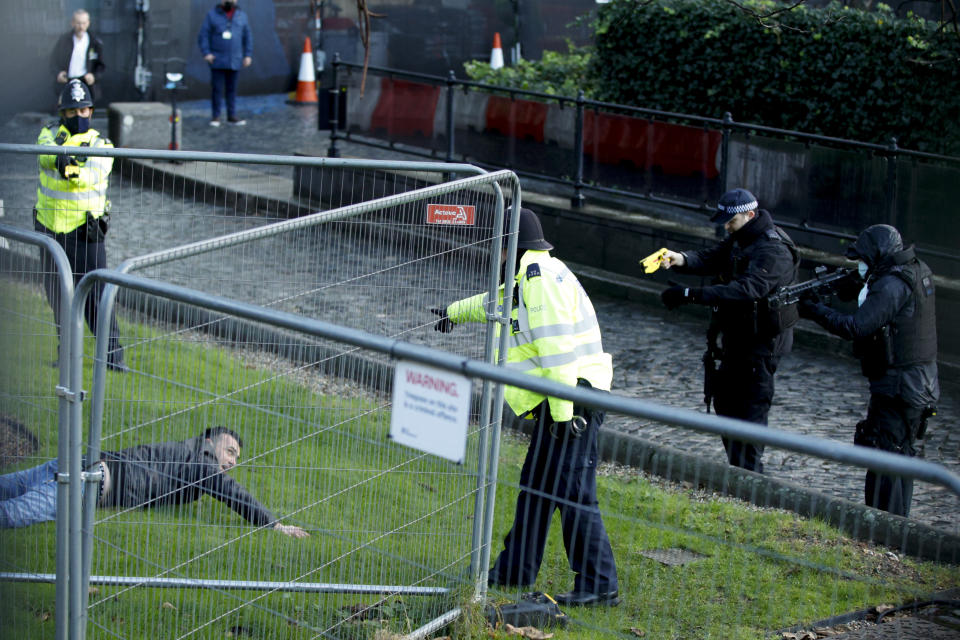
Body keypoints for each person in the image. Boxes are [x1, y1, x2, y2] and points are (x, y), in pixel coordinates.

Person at [432, 208, 619, 607]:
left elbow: (557, 354)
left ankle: (600, 585)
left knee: (574, 494)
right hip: (564, 398)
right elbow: (495, 303)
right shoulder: (527, 277)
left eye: (499, 248)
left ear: (510, 247)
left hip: (573, 399)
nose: (496, 258)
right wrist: (454, 313)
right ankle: (516, 569)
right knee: (537, 487)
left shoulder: (539, 282)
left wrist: (566, 417)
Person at [656, 188, 799, 473]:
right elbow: (713, 257)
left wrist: (690, 294)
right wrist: (680, 258)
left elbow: (747, 290)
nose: (725, 226)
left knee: (749, 417)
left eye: (730, 221)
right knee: (726, 405)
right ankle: (738, 475)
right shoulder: (742, 237)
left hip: (760, 346)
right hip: (736, 340)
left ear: (749, 214)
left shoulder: (773, 249)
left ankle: (750, 482)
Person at [799, 225, 938, 517]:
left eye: (864, 258)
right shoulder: (914, 269)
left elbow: (856, 326)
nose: (860, 264)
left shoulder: (892, 284)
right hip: (915, 384)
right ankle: (894, 530)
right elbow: (867, 289)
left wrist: (814, 310)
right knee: (899, 460)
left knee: (886, 459)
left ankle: (883, 531)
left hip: (900, 389)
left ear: (878, 256)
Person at [0, 426, 309, 538]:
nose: (231, 461)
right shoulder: (200, 460)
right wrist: (273, 524)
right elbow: (230, 490)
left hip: (80, 465)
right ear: (209, 440)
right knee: (11, 514)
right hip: (88, 482)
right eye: (229, 450)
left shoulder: (185, 455)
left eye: (236, 459)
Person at [35, 79, 125, 371]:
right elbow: (43, 151)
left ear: (91, 110)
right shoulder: (49, 135)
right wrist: (61, 160)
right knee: (57, 296)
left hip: (85, 233)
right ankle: (68, 355)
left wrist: (71, 168)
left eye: (84, 109)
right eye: (72, 111)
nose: (79, 116)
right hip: (49, 230)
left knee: (96, 299)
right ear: (63, 112)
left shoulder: (102, 144)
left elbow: (90, 175)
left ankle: (113, 358)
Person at [197, 0, 253, 127]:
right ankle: (216, 116)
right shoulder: (212, 15)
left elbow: (247, 36)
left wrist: (248, 55)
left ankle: (231, 115)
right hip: (218, 59)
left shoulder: (241, 15)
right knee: (217, 89)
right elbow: (203, 35)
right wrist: (207, 53)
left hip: (235, 60)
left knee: (232, 90)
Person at [50, 9, 105, 106]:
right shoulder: (64, 41)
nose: (81, 27)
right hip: (67, 81)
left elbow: (100, 65)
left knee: (84, 112)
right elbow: (53, 61)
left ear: (88, 23)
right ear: (72, 23)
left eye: (84, 23)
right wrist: (58, 73)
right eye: (78, 23)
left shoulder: (94, 42)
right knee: (67, 112)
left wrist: (94, 76)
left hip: (85, 83)